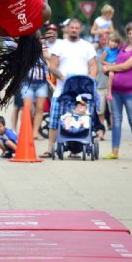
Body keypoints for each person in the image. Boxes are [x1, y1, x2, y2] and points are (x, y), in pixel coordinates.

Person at [40, 19, 97, 158]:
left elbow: (93, 66)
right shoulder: (60, 46)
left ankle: (75, 149)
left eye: (77, 28)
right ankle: (50, 148)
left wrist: (90, 80)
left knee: (78, 120)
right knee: (54, 120)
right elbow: (52, 66)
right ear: (67, 28)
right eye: (72, 27)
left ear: (80, 29)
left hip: (82, 93)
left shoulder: (87, 46)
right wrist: (66, 79)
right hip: (61, 90)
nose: (74, 30)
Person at [103, 21, 132, 159]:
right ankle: (114, 152)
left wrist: (110, 68)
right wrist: (108, 67)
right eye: (130, 33)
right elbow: (114, 60)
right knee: (116, 121)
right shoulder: (122, 48)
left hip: (131, 92)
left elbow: (125, 66)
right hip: (115, 91)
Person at [95, 33, 111, 134]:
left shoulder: (113, 51)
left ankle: (114, 131)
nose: (103, 41)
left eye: (105, 39)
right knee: (100, 111)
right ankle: (101, 131)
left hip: (111, 86)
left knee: (112, 111)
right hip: (99, 85)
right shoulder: (95, 50)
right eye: (101, 39)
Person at [101, 32, 122, 100]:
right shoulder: (106, 51)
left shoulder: (118, 50)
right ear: (108, 41)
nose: (113, 43)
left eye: (115, 42)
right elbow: (102, 61)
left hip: (115, 65)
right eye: (112, 41)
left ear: (118, 44)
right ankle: (109, 92)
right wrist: (109, 64)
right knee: (111, 75)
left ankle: (118, 90)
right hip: (109, 65)